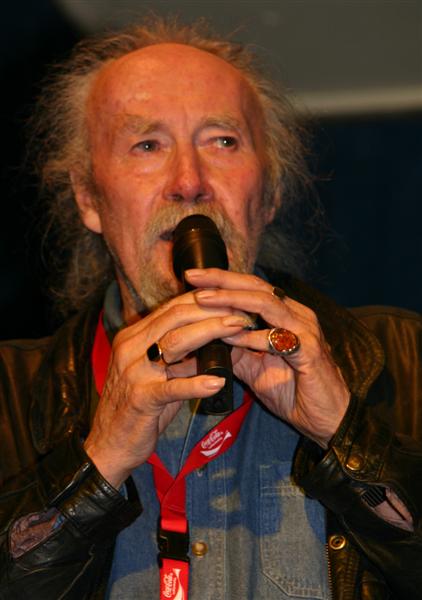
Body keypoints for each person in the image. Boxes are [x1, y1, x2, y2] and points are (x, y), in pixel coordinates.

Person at [0, 16, 421, 600]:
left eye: (222, 141)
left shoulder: (406, 356)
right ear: (89, 197)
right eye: (147, 145)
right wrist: (96, 463)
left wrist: (347, 434)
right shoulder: (9, 391)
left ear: (270, 192)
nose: (189, 182)